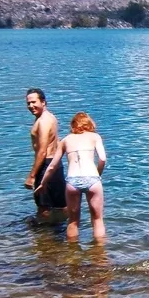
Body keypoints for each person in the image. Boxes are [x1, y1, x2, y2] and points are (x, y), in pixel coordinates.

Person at [37, 112, 107, 240]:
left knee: (73, 221)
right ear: (89, 124)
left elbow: (52, 166)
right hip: (92, 179)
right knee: (97, 219)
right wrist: (97, 175)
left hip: (72, 181)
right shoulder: (95, 137)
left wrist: (43, 183)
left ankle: (72, 255)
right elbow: (102, 159)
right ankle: (100, 254)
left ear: (73, 125)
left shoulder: (65, 140)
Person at [25, 88, 67, 218]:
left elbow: (42, 151)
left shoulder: (43, 121)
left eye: (34, 102)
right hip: (56, 164)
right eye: (28, 103)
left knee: (43, 207)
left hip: (46, 165)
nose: (31, 106)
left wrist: (32, 176)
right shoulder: (51, 117)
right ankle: (63, 232)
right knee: (61, 205)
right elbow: (57, 142)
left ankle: (45, 236)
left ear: (43, 102)